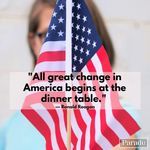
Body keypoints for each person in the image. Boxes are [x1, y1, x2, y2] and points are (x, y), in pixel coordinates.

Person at [0, 0, 139, 149]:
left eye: (76, 34)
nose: (65, 47)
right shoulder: (10, 129)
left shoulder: (117, 117)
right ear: (34, 43)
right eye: (50, 34)